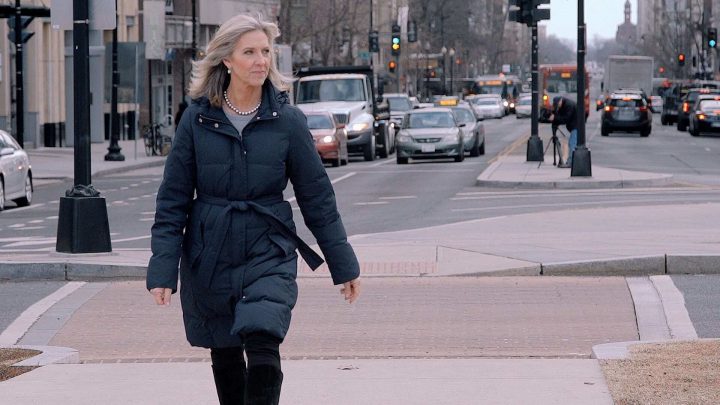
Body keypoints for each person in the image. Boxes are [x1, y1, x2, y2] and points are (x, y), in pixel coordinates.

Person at [146, 14, 361, 405]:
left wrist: (343, 264)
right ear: (227, 59)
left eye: (266, 51)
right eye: (250, 52)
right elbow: (172, 200)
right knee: (225, 353)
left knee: (264, 341)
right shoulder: (196, 120)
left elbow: (318, 199)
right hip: (209, 250)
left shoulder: (288, 121)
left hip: (269, 246)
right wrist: (162, 270)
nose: (261, 60)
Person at [549, 96, 578, 168]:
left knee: (572, 144)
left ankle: (571, 162)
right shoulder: (563, 105)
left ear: (560, 101)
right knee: (572, 143)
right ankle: (572, 161)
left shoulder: (569, 105)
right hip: (574, 126)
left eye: (557, 104)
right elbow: (560, 116)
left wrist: (555, 118)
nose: (557, 106)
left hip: (577, 126)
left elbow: (565, 119)